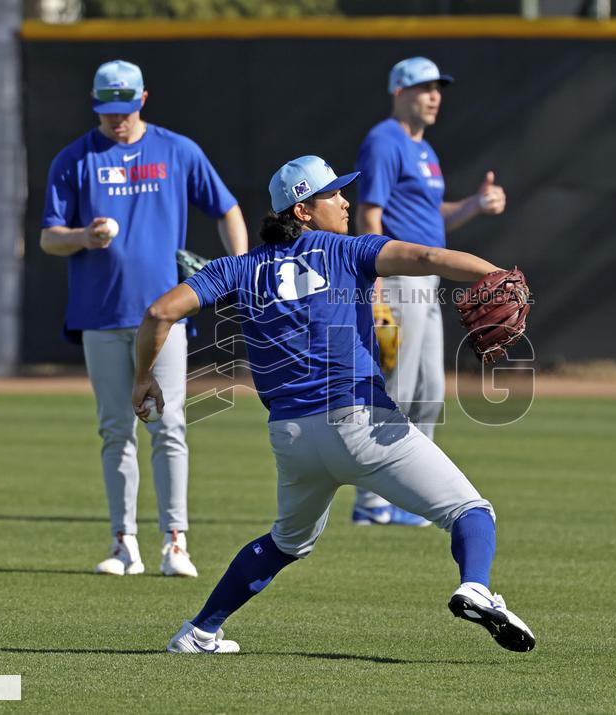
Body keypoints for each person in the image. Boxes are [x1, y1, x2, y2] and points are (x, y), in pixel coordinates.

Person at [131, 155, 535, 654]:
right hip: (361, 422)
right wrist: (496, 274)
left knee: (285, 543)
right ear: (302, 210)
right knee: (470, 511)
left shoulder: (239, 268)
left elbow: (159, 312)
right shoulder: (346, 250)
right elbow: (428, 258)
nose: (345, 202)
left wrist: (144, 378)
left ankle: (199, 633)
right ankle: (475, 586)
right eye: (332, 194)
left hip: (292, 437)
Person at [40, 59, 248, 577]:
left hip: (164, 316)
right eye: (108, 109)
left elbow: (226, 208)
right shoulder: (74, 159)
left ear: (143, 100)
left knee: (169, 425)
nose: (117, 119)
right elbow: (48, 237)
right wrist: (82, 237)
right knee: (116, 430)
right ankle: (123, 543)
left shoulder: (177, 151)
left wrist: (241, 269)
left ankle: (175, 543)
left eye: (126, 108)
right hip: (101, 313)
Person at [351, 57, 508, 527]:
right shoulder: (385, 140)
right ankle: (370, 500)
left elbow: (432, 219)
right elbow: (369, 214)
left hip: (426, 282)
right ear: (399, 92)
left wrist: (476, 204)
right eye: (424, 88)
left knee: (428, 392)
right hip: (398, 278)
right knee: (395, 389)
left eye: (438, 88)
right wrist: (373, 286)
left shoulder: (423, 149)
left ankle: (413, 496)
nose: (435, 96)